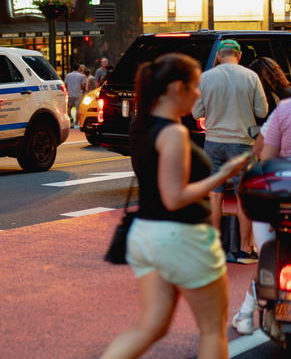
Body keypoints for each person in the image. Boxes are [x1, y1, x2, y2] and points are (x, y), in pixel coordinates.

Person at [102, 53, 249, 359]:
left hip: (146, 234)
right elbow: (175, 197)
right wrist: (223, 174)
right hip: (182, 235)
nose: (199, 94)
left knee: (151, 326)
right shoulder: (173, 133)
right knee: (211, 328)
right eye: (195, 87)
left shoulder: (142, 127)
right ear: (176, 88)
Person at [230, 83, 291, 334]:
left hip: (279, 199)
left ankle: (247, 313)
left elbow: (266, 156)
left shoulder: (284, 109)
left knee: (267, 257)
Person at [192, 39, 268, 264]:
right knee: (242, 195)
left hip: (213, 141)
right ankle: (245, 249)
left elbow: (197, 113)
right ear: (239, 55)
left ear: (218, 56)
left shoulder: (205, 78)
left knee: (214, 195)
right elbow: (261, 110)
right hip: (241, 143)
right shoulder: (250, 76)